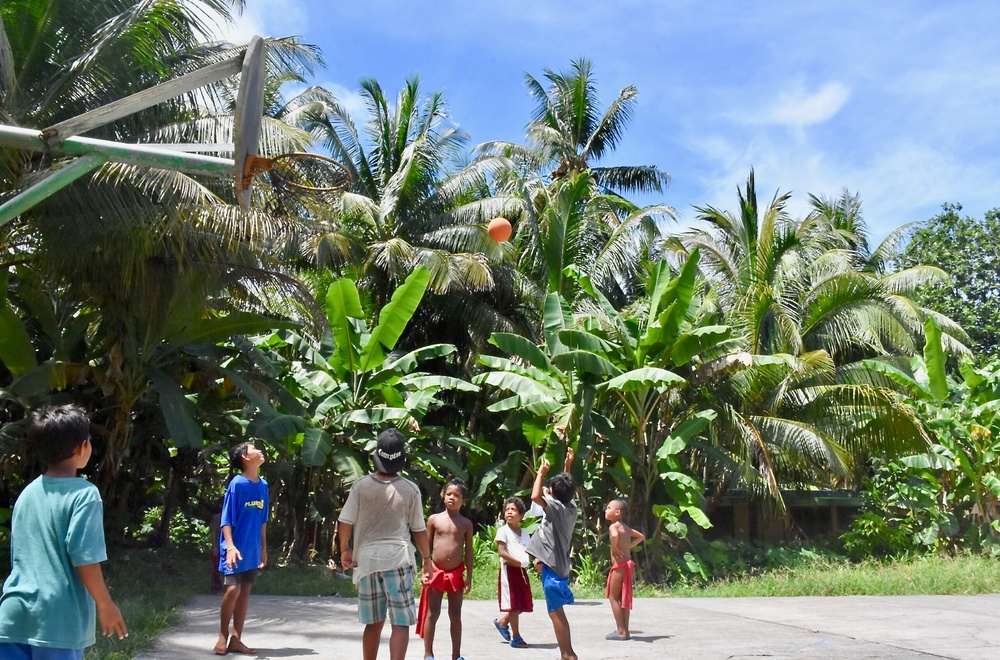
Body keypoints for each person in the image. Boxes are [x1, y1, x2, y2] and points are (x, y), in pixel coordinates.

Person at [0, 404, 128, 659]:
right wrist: (105, 604)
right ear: (82, 448)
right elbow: (84, 555)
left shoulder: (28, 493)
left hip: (13, 614)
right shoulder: (85, 495)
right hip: (57, 621)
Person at [338, 428, 433, 660]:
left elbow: (345, 521)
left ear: (377, 456)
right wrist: (427, 560)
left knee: (374, 622)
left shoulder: (361, 486)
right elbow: (418, 529)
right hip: (398, 560)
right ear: (401, 458)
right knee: (400, 623)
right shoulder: (410, 489)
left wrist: (345, 550)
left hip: (367, 562)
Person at [215, 442, 269, 655]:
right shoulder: (237, 484)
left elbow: (263, 520)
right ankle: (222, 634)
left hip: (252, 549)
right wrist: (229, 547)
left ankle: (237, 638)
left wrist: (264, 548)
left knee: (245, 591)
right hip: (234, 548)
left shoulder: (263, 486)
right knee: (233, 589)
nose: (259, 450)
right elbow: (226, 519)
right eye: (254, 448)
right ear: (245, 458)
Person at [525, 447, 578, 660]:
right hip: (558, 565)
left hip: (554, 568)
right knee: (557, 611)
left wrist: (540, 473)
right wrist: (567, 465)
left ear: (553, 494)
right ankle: (567, 652)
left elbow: (535, 495)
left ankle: (568, 653)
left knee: (556, 613)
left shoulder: (555, 507)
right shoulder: (571, 506)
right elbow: (566, 487)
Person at [416, 478, 473, 660]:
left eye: (457, 495)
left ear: (463, 500)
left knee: (455, 614)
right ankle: (428, 654)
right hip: (436, 572)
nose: (452, 498)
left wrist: (469, 577)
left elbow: (469, 551)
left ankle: (456, 655)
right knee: (433, 613)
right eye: (449, 494)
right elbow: (425, 546)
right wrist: (425, 570)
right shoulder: (434, 520)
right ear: (443, 496)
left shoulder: (466, 524)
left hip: (456, 573)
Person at [493, 496, 533, 649]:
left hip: (521, 570)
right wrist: (517, 562)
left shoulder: (524, 533)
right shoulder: (503, 531)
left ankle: (502, 622)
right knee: (514, 605)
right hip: (509, 570)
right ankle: (516, 637)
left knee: (522, 603)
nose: (509, 512)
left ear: (521, 515)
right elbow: (502, 552)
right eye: (507, 510)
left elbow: (528, 550)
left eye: (513, 510)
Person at [604, 498, 645, 641]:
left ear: (617, 512)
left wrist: (615, 546)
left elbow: (614, 536)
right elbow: (641, 536)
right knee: (623, 598)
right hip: (627, 565)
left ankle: (621, 631)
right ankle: (625, 630)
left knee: (613, 597)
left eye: (609, 508)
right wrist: (628, 547)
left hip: (619, 567)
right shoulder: (627, 528)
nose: (606, 510)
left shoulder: (613, 527)